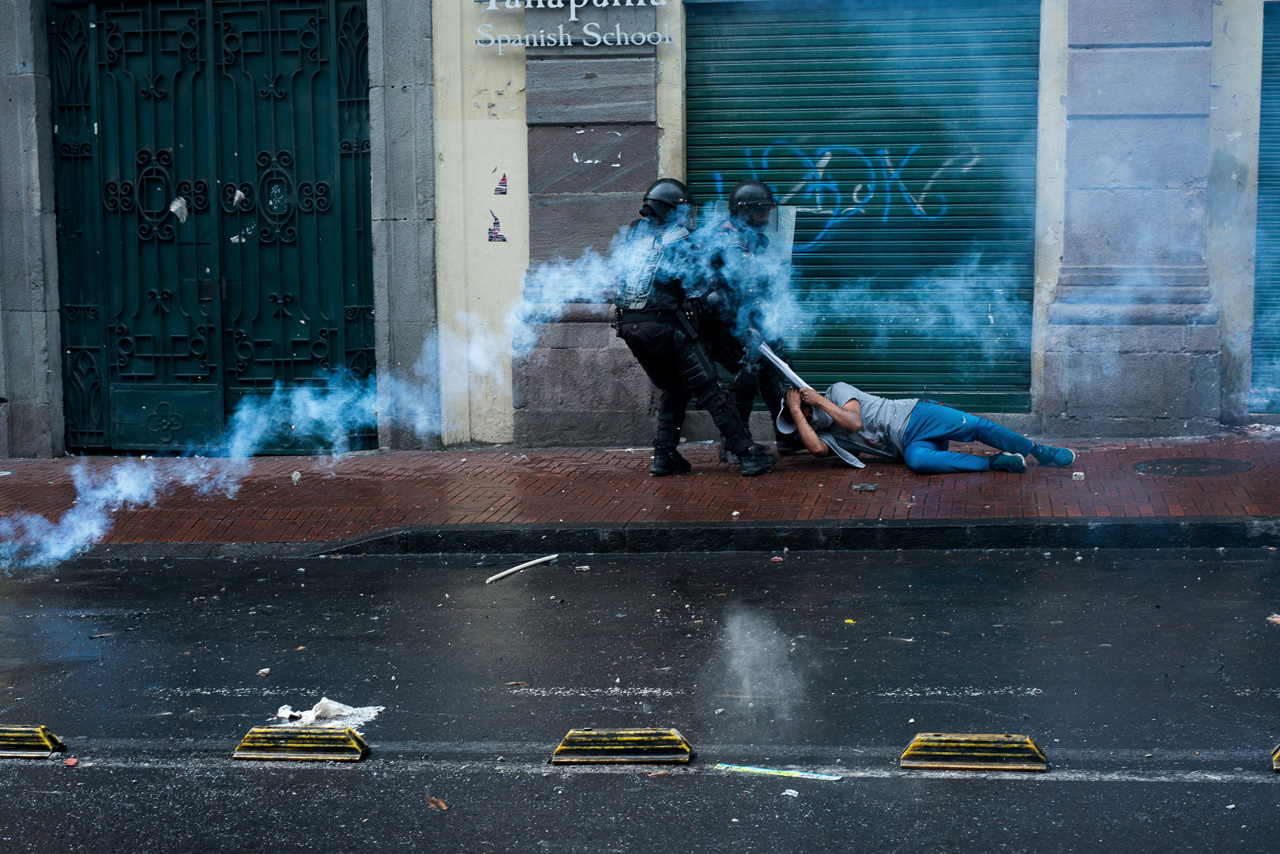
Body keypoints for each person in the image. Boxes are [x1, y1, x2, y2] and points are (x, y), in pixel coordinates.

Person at [613, 178, 777, 477]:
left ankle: (665, 456)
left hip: (629, 327)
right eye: (682, 209)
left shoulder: (635, 233)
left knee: (674, 388)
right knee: (711, 389)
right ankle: (746, 454)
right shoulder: (677, 236)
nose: (686, 215)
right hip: (663, 326)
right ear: (670, 209)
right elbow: (699, 281)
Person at [698, 179, 800, 460]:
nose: (765, 218)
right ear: (743, 213)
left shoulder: (742, 239)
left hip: (736, 321)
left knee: (771, 368)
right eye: (759, 212)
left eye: (767, 211)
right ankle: (734, 443)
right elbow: (744, 291)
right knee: (749, 371)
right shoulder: (732, 241)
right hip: (719, 325)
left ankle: (787, 437)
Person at [779, 384, 1076, 474]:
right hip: (909, 445)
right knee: (918, 462)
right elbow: (817, 450)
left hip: (917, 414)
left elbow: (853, 421)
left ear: (811, 399)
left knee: (975, 426)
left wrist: (817, 399)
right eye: (798, 420)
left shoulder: (835, 391)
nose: (805, 418)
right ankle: (996, 462)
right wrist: (794, 410)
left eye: (803, 412)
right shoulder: (823, 435)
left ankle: (1039, 451)